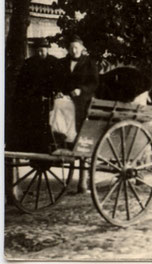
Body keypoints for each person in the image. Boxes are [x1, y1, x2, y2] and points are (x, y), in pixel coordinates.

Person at [56, 35, 99, 193]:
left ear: (82, 48)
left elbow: (94, 83)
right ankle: (61, 137)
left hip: (83, 101)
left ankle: (83, 181)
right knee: (58, 104)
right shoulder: (63, 64)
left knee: (72, 109)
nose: (74, 50)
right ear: (68, 49)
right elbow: (59, 81)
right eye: (71, 47)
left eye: (76, 47)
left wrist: (81, 89)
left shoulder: (89, 63)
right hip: (67, 98)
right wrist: (60, 92)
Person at [10, 38, 59, 152]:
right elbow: (22, 84)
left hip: (49, 98)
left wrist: (54, 92)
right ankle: (29, 145)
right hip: (33, 98)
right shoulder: (29, 63)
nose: (40, 53)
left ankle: (49, 144)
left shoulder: (54, 63)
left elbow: (58, 81)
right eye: (38, 51)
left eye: (43, 50)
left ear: (47, 50)